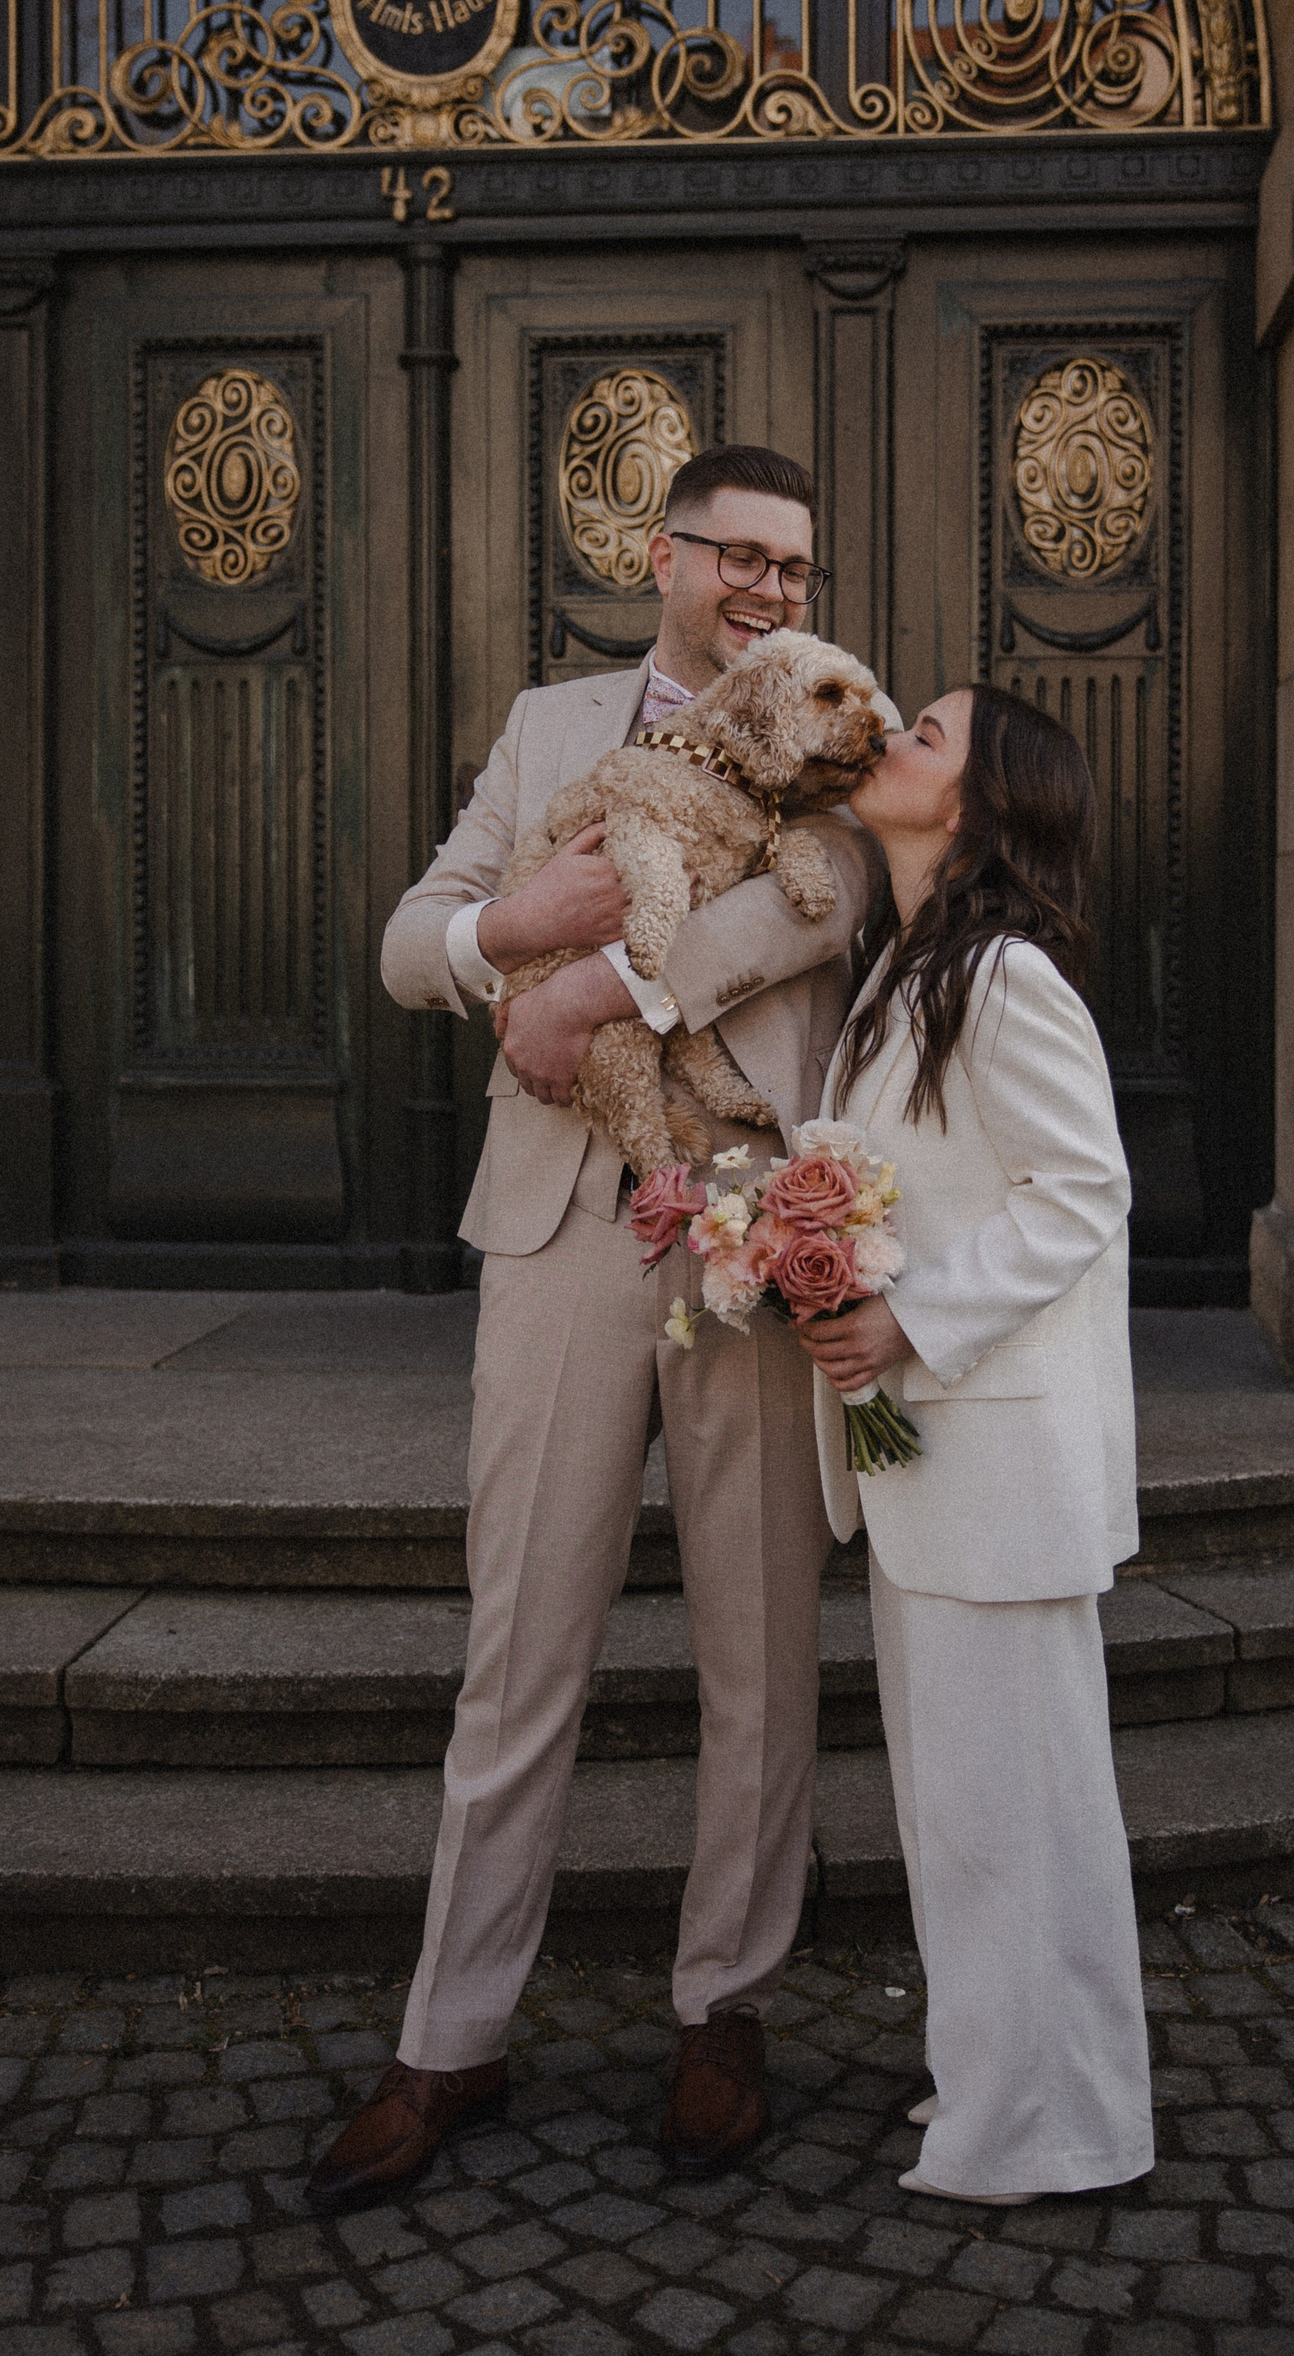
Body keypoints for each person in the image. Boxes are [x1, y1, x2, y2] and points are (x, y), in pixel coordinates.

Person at [307, 447, 886, 2209]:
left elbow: (818, 906)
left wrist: (592, 986)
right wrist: (512, 932)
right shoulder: (548, 727)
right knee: (520, 1645)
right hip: (561, 1227)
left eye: (793, 567)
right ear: (665, 557)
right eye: (741, 559)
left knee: (758, 1651)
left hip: (754, 1232)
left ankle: (726, 2008)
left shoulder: (834, 724)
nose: (771, 592)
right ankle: (451, 2037)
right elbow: (412, 940)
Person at [798, 684, 1153, 2205]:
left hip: (998, 1468)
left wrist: (906, 1322)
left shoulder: (1003, 976)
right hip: (930, 1475)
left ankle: (1055, 2130)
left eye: (926, 736)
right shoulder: (903, 970)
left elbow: (1083, 1192)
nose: (888, 736)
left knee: (1021, 1819)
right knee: (962, 1815)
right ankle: (999, 2088)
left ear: (979, 805)